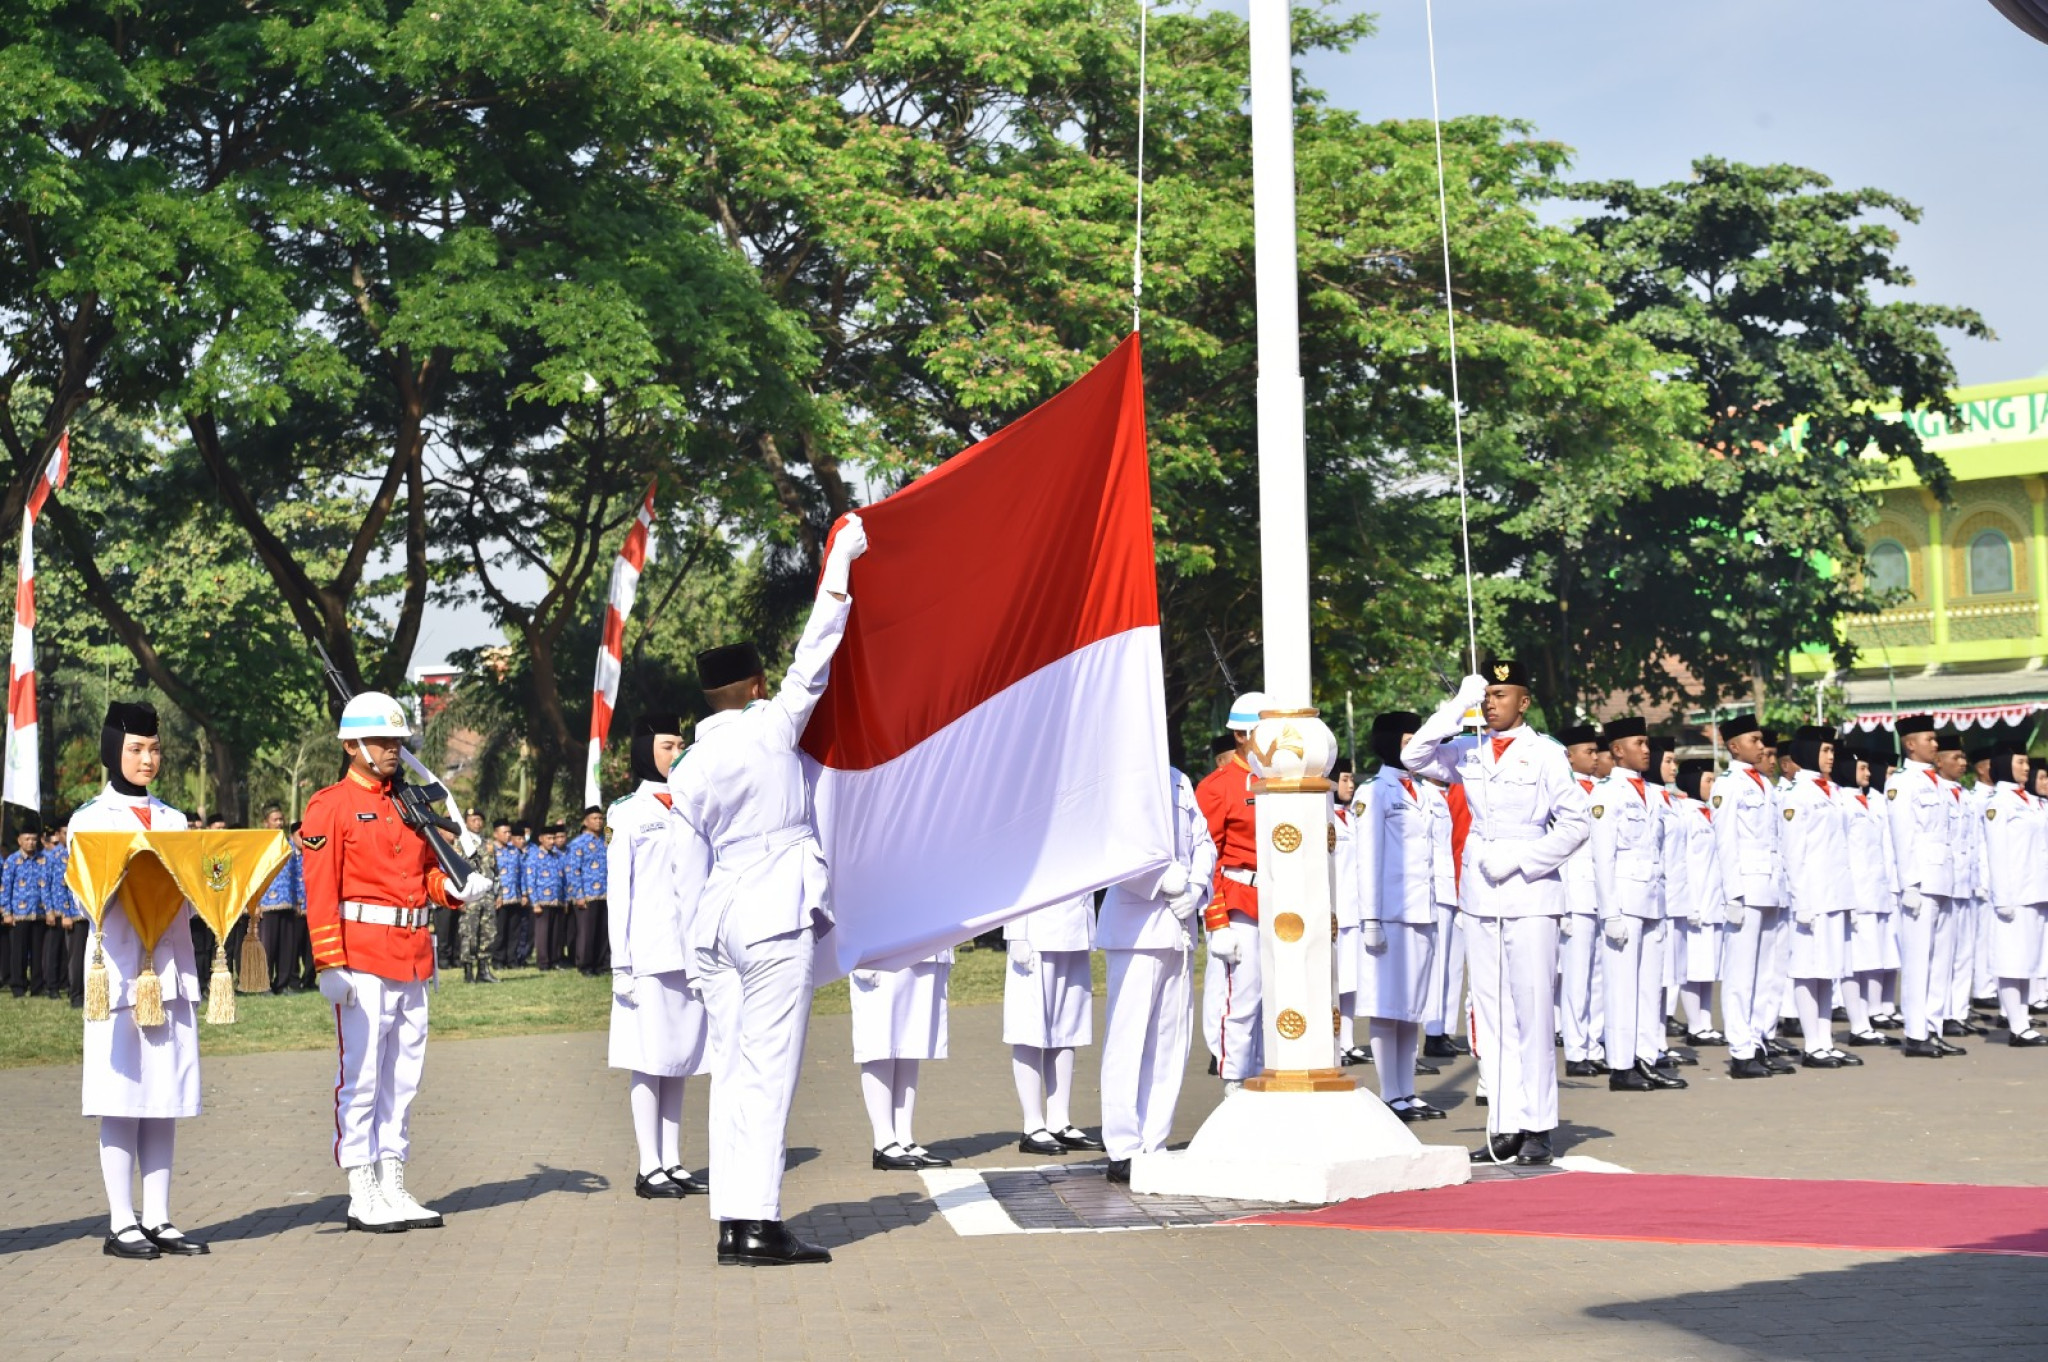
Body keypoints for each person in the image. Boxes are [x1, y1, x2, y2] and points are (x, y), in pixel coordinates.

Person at [668, 512, 866, 1267]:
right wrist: (840, 561)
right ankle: (758, 1223)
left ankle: (732, 1222)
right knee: (769, 1069)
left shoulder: (685, 769)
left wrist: (692, 945)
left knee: (734, 1071)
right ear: (752, 685)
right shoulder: (771, 726)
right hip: (774, 911)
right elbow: (817, 650)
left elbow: (685, 865)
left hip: (713, 923)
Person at [303, 691, 492, 1234]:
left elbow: (425, 880)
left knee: (403, 1079)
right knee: (361, 1078)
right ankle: (361, 1185)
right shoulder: (330, 805)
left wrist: (458, 890)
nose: (393, 750)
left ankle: (393, 1180)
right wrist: (328, 962)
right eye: (383, 741)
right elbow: (320, 890)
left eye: (398, 741)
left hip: (412, 957)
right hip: (360, 958)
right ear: (351, 745)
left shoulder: (409, 805)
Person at [1402, 661, 1590, 1167]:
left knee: (1531, 1012)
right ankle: (1504, 1124)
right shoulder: (1468, 748)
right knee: (1492, 1016)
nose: (1492, 703)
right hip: (1481, 894)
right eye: (1487, 694)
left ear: (1524, 702)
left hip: (1530, 895)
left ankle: (1537, 1127)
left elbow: (1575, 826)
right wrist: (1455, 707)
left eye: (1500, 694)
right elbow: (1413, 753)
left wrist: (1525, 859)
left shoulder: (1546, 755)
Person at [74, 701, 207, 1259]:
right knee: (121, 1095)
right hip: (121, 968)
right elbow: (86, 899)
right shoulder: (90, 819)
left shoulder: (176, 820)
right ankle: (120, 1220)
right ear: (113, 750)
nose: (147, 759)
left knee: (164, 1094)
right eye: (135, 749)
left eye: (154, 748)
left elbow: (198, 898)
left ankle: (158, 1216)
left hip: (171, 969)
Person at [607, 713, 712, 1197]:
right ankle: (648, 1165)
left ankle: (672, 1160)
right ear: (647, 750)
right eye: (668, 745)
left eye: (681, 744)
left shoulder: (694, 806)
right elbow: (619, 893)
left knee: (681, 1057)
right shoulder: (628, 812)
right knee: (648, 1058)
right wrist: (621, 964)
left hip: (690, 954)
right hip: (646, 954)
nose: (678, 753)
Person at [1098, 764, 1215, 1182]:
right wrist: (1165, 880)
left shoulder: (1178, 779)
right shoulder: (1121, 776)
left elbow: (1204, 842)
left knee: (1171, 1039)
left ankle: (1154, 1139)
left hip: (1178, 927)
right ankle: (1123, 1145)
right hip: (1136, 928)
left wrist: (1197, 888)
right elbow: (1111, 847)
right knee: (1128, 1040)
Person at [1354, 711, 1446, 1121]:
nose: (1416, 748)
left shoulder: (1426, 792)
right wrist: (1370, 917)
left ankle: (1408, 1090)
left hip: (1421, 911)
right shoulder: (1374, 792)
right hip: (1389, 914)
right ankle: (1389, 1093)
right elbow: (1367, 858)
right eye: (1409, 739)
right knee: (1387, 1005)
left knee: (1413, 1008)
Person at [1588, 718, 1684, 1093]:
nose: (1647, 750)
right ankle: (1621, 1064)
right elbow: (1602, 856)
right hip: (1624, 904)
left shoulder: (1654, 794)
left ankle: (1645, 1058)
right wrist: (1609, 911)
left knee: (1649, 988)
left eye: (1647, 743)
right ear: (1616, 750)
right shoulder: (1606, 794)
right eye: (1639, 743)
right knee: (1622, 986)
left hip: (1652, 901)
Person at [1712, 714, 1795, 1079]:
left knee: (1770, 974)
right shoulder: (1728, 785)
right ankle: (1741, 1050)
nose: (1762, 746)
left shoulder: (1765, 783)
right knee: (1741, 973)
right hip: (1746, 888)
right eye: (1755, 740)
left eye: (1762, 741)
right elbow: (1725, 841)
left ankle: (1760, 1039)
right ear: (1734, 746)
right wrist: (1733, 893)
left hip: (1772, 887)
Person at [1195, 692, 1267, 1089]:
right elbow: (1208, 860)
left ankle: (1259, 1078)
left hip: (1278, 904)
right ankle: (1235, 1084)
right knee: (1240, 999)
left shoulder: (1278, 778)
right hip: (1239, 902)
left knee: (1269, 1002)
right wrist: (1218, 921)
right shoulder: (1217, 786)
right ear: (1240, 734)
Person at [1886, 716, 1967, 1060]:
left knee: (1941, 961)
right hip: (1921, 882)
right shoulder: (1903, 783)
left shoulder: (1937, 782)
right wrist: (1909, 884)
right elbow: (1903, 836)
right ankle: (1916, 1033)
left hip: (1943, 879)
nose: (1936, 745)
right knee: (1919, 961)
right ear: (1910, 744)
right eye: (1930, 739)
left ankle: (1933, 1027)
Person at [1779, 732, 1859, 1068]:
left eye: (1831, 750)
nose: (1830, 756)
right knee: (1807, 969)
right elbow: (1793, 851)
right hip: (1812, 894)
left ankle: (1825, 1041)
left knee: (1829, 970)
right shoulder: (1797, 794)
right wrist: (1801, 901)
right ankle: (1812, 1045)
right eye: (1825, 750)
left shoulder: (1833, 792)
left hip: (1835, 892)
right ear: (1810, 752)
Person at [1005, 893, 1102, 1155]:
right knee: (1030, 1026)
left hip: (1075, 928)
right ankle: (1032, 1125)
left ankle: (1059, 1120)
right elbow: (1016, 872)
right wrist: (1015, 932)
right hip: (1037, 929)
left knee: (1066, 1027)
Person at [853, 948, 953, 1173]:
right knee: (878, 1042)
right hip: (883, 946)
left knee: (910, 1041)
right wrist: (861, 954)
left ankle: (903, 1137)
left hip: (925, 945)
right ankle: (884, 1140)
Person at [1978, 746, 2048, 1046]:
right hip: (2014, 893)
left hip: (2036, 890)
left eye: (2027, 763)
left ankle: (2023, 1021)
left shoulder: (2032, 801)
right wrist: (2002, 896)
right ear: (2006, 765)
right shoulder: (1999, 802)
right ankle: (2017, 1025)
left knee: (2029, 960)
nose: (2025, 767)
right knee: (2011, 960)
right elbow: (1996, 850)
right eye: (2020, 762)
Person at [1833, 743, 1901, 1048]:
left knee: (1871, 959)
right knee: (1853, 962)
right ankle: (1858, 1025)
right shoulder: (1842, 803)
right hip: (1856, 894)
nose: (1867, 773)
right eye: (1861, 768)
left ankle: (1867, 1019)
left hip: (1876, 891)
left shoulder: (1865, 801)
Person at [1555, 725, 1606, 1075]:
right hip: (1575, 892)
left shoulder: (1602, 789)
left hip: (1601, 892)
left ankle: (1594, 1043)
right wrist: (1563, 903)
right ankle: (1576, 1050)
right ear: (1569, 756)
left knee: (1598, 975)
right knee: (1577, 976)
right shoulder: (1563, 790)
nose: (1595, 757)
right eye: (1588, 751)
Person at [1667, 759, 1726, 1046]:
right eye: (1708, 780)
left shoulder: (1710, 814)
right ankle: (1695, 1025)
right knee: (1693, 968)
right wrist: (1689, 904)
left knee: (1709, 969)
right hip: (1695, 903)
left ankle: (1706, 1022)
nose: (1712, 786)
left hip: (1713, 901)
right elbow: (1683, 862)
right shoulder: (1686, 815)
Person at [255, 812, 307, 994]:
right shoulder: (259, 846)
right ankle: (264, 985)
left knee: (287, 948)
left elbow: (299, 874)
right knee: (267, 947)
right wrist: (255, 903)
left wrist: (299, 900)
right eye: (274, 819)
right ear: (266, 822)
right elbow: (254, 877)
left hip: (289, 902)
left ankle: (283, 983)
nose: (278, 823)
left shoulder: (290, 846)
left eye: (280, 819)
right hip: (267, 904)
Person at [45, 819, 89, 1008]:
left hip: (92, 913)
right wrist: (65, 913)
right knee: (76, 958)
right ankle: (76, 995)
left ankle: (92, 993)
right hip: (73, 913)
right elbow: (60, 887)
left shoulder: (88, 852)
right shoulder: (62, 856)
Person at [5, 818, 46, 998]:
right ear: (20, 841)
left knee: (38, 952)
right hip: (19, 914)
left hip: (39, 913)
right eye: (27, 839)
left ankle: (37, 986)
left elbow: (47, 886)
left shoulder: (43, 860)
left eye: (34, 839)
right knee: (19, 952)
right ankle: (18, 986)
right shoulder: (12, 861)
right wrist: (6, 912)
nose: (31, 842)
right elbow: (5, 888)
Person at [460, 816, 502, 983]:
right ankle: (468, 972)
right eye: (473, 820)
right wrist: (459, 897)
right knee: (469, 933)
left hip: (487, 895)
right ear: (466, 822)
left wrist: (499, 894)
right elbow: (455, 871)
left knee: (488, 933)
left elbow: (495, 871)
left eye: (479, 820)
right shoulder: (461, 842)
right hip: (470, 896)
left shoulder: (488, 844)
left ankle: (484, 970)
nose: (477, 823)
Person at [570, 805, 609, 976]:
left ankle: (600, 964)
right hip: (587, 895)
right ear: (585, 822)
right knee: (587, 932)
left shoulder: (606, 840)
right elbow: (573, 870)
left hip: (606, 893)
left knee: (603, 931)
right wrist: (579, 895)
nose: (599, 822)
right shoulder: (578, 843)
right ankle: (585, 965)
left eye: (601, 818)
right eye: (595, 818)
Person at [529, 824, 569, 971]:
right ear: (541, 839)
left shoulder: (558, 856)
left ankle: (555, 960)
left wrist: (564, 900)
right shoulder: (534, 857)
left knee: (556, 933)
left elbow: (563, 880)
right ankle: (544, 962)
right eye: (549, 838)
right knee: (543, 934)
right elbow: (530, 881)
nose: (552, 841)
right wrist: (535, 902)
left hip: (557, 900)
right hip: (542, 901)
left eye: (554, 838)